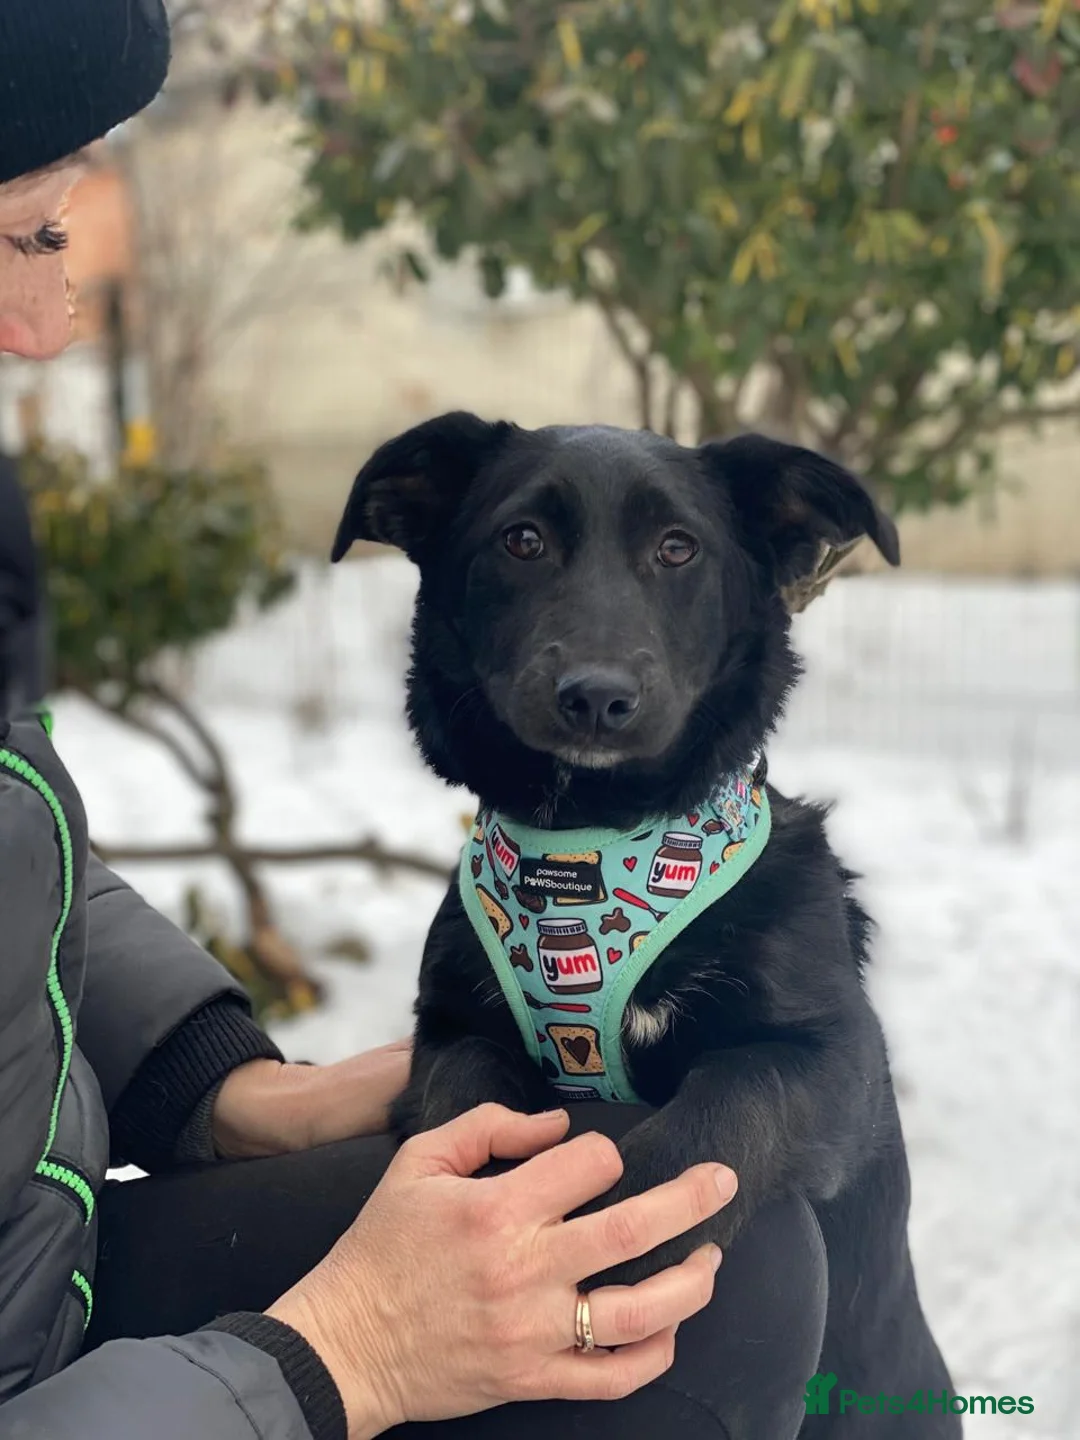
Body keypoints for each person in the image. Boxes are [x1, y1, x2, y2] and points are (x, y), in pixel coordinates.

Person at [0, 5, 828, 1439]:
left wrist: (209, 1081)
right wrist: (335, 1361)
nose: (46, 325)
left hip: (40, 1267)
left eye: (58, 238)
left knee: (695, 1255)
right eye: (32, 235)